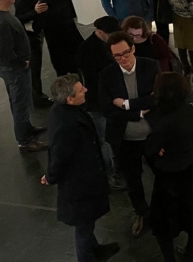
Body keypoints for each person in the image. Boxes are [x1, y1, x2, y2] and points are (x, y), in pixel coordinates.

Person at [41, 75, 120, 262]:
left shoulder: (65, 111)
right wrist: (51, 176)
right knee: (84, 228)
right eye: (80, 89)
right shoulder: (67, 125)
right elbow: (59, 155)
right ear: (69, 98)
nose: (85, 90)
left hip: (84, 180)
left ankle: (95, 249)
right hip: (80, 185)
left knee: (87, 223)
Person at [145, 72, 193, 262]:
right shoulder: (190, 110)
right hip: (192, 168)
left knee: (163, 227)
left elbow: (149, 149)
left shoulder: (166, 123)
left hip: (170, 178)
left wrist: (159, 149)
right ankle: (189, 251)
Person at [99, 31, 160, 237]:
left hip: (152, 135)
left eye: (126, 53)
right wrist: (138, 112)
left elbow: (156, 99)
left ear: (133, 48)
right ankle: (142, 213)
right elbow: (107, 108)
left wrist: (125, 105)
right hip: (124, 140)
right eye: (117, 56)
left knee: (162, 174)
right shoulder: (106, 75)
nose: (123, 59)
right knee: (132, 181)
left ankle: (163, 212)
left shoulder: (151, 66)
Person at [0, 0, 48, 152]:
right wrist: (23, 62)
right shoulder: (2, 22)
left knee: (18, 101)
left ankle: (26, 129)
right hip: (15, 69)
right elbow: (4, 52)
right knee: (20, 103)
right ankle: (25, 140)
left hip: (9, 69)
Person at [76, 15, 125, 191]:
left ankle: (117, 168)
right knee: (105, 141)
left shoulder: (111, 42)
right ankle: (110, 176)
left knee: (115, 137)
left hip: (114, 99)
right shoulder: (86, 49)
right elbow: (92, 80)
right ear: (100, 32)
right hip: (98, 102)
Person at [15, 0, 53, 108]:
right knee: (34, 68)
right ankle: (36, 98)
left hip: (36, 34)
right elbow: (18, 18)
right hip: (29, 38)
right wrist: (34, 12)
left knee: (36, 67)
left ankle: (37, 96)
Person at [38, 0, 84, 75]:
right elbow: (72, 13)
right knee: (76, 69)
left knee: (62, 70)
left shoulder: (44, 2)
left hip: (57, 42)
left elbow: (43, 23)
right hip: (71, 35)